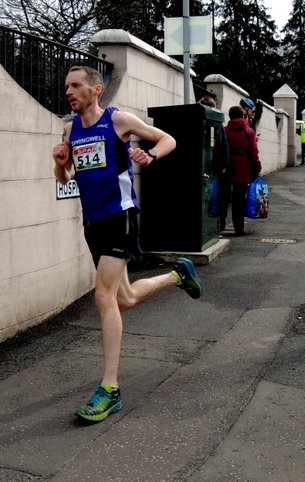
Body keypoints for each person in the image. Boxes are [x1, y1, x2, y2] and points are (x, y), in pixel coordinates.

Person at [52, 65, 204, 422]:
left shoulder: (118, 120)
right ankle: (176, 276)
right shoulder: (70, 129)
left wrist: (150, 156)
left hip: (120, 216)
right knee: (126, 299)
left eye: (76, 86)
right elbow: (69, 176)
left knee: (103, 296)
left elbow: (167, 138)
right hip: (92, 221)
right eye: (66, 87)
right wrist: (60, 165)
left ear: (96, 90)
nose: (69, 92)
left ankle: (110, 388)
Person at [219, 105, 262, 236]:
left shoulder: (224, 130)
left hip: (226, 168)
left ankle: (221, 224)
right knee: (238, 200)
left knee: (224, 198)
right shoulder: (249, 132)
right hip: (243, 169)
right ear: (243, 116)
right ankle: (238, 228)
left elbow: (218, 149)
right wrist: (257, 168)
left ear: (230, 116)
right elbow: (254, 153)